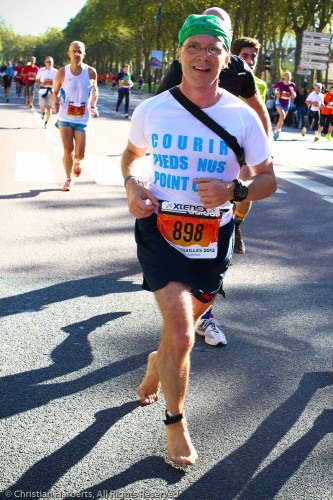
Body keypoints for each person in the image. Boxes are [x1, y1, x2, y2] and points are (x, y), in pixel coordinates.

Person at [121, 14, 276, 468]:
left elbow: (268, 179)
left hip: (213, 237)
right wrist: (133, 188)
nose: (203, 55)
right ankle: (176, 422)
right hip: (161, 231)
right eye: (194, 47)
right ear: (180, 53)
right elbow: (132, 158)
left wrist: (235, 191)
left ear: (225, 58)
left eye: (213, 48)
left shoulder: (242, 116)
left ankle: (157, 363)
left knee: (177, 333)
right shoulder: (152, 109)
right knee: (185, 334)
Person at [156, 9, 271, 347]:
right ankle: (192, 320)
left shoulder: (240, 69)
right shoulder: (183, 63)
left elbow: (258, 107)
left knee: (231, 215)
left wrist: (263, 153)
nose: (203, 56)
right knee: (190, 250)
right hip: (190, 165)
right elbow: (162, 107)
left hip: (230, 161)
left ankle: (232, 229)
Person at [230, 36, 267, 256]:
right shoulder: (222, 78)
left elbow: (260, 116)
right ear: (235, 57)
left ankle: (235, 226)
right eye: (245, 56)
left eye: (253, 56)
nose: (250, 60)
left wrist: (265, 146)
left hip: (246, 145)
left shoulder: (259, 85)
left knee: (245, 191)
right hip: (222, 142)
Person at [52, 41, 99, 191]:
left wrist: (93, 106)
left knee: (80, 154)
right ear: (69, 53)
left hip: (82, 118)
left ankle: (77, 162)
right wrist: (56, 103)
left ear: (84, 54)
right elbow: (55, 91)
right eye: (74, 51)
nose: (76, 54)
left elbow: (95, 90)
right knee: (68, 151)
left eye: (79, 52)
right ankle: (68, 179)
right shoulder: (62, 72)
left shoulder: (91, 72)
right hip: (65, 117)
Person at [272, 71, 297, 140]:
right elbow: (274, 89)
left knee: (282, 119)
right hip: (279, 102)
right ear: (284, 76)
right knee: (282, 115)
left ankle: (277, 130)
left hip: (287, 103)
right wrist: (276, 93)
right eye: (287, 76)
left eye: (289, 76)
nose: (288, 77)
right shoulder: (280, 83)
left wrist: (292, 91)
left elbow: (294, 96)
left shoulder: (292, 85)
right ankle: (277, 131)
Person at [36, 56, 58, 128]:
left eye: (50, 62)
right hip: (43, 91)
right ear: (45, 63)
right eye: (47, 62)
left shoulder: (56, 72)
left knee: (49, 107)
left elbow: (59, 82)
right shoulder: (41, 70)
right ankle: (42, 113)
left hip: (51, 92)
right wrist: (41, 83)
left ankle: (46, 122)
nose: (49, 63)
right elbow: (37, 80)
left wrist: (55, 85)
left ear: (53, 63)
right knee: (42, 106)